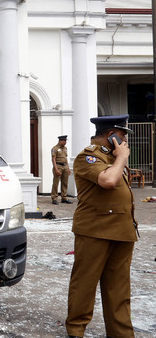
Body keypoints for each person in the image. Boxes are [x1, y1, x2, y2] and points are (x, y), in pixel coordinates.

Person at [65, 115, 139, 338]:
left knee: (119, 288)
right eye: (123, 135)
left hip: (122, 230)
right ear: (111, 135)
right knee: (85, 284)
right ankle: (76, 330)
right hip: (95, 230)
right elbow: (108, 181)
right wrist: (121, 158)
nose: (125, 141)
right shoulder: (88, 156)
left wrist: (119, 158)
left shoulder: (113, 157)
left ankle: (121, 333)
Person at [51, 135, 72, 205]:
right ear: (60, 141)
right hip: (58, 166)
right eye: (64, 141)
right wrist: (56, 169)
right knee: (56, 182)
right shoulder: (55, 148)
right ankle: (54, 198)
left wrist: (68, 168)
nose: (65, 142)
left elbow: (66, 158)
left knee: (65, 182)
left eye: (66, 141)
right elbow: (53, 159)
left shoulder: (65, 148)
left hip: (65, 166)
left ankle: (64, 197)